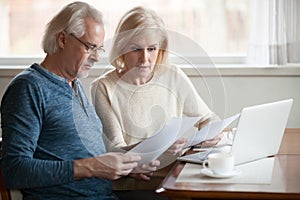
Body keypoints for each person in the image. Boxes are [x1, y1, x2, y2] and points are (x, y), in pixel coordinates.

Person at [0, 2, 159, 199]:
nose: (95, 57)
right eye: (90, 47)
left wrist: (126, 166)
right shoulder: (28, 88)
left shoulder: (74, 84)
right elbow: (15, 170)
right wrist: (91, 167)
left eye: (99, 49)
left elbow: (85, 157)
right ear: (63, 39)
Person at [91, 6, 221, 200]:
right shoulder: (103, 87)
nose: (145, 59)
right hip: (134, 185)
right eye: (136, 49)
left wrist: (210, 134)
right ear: (122, 48)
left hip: (175, 178)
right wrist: (157, 146)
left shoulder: (173, 75)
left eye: (152, 49)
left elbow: (209, 118)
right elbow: (115, 149)